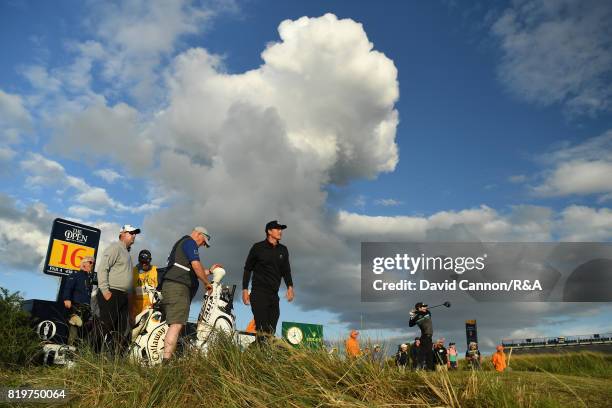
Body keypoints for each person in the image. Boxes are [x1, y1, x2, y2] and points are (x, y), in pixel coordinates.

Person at [161, 226, 214, 361]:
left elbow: (191, 269)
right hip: (178, 288)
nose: (202, 245)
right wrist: (207, 283)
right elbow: (196, 266)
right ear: (198, 234)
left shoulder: (181, 244)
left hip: (171, 286)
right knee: (176, 324)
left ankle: (169, 358)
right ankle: (166, 363)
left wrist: (209, 271)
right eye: (203, 241)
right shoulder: (190, 242)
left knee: (176, 324)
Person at [242, 220, 294, 343]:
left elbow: (286, 271)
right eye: (277, 229)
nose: (280, 231)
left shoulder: (283, 250)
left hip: (273, 296)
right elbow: (248, 269)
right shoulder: (257, 247)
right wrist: (245, 290)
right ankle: (258, 359)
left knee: (270, 332)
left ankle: (251, 356)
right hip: (258, 293)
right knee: (262, 330)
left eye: (281, 229)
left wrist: (290, 287)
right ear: (269, 231)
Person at [96, 224, 140, 353]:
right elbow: (102, 268)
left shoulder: (126, 253)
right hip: (112, 293)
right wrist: (105, 291)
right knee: (105, 326)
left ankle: (110, 359)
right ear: (123, 234)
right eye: (131, 233)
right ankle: (86, 354)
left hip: (123, 297)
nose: (134, 236)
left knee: (119, 330)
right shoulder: (115, 248)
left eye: (135, 233)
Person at [62, 256, 95, 346]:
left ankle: (79, 354)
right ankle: (70, 351)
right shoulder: (75, 275)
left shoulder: (89, 279)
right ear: (83, 264)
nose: (92, 264)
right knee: (74, 330)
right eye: (90, 262)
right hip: (76, 307)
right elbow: (68, 288)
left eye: (93, 263)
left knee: (84, 332)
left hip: (87, 309)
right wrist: (67, 299)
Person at [130, 249, 159, 322]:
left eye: (146, 262)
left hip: (152, 310)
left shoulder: (156, 271)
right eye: (141, 262)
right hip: (136, 311)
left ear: (150, 260)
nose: (144, 264)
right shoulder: (133, 271)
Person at [409, 302, 434, 370]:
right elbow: (410, 324)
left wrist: (416, 312)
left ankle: (419, 367)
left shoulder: (427, 313)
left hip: (426, 336)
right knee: (428, 353)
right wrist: (411, 316)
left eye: (425, 306)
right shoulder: (417, 317)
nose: (426, 307)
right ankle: (427, 369)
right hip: (425, 336)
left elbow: (425, 312)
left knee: (424, 352)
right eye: (424, 306)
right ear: (419, 308)